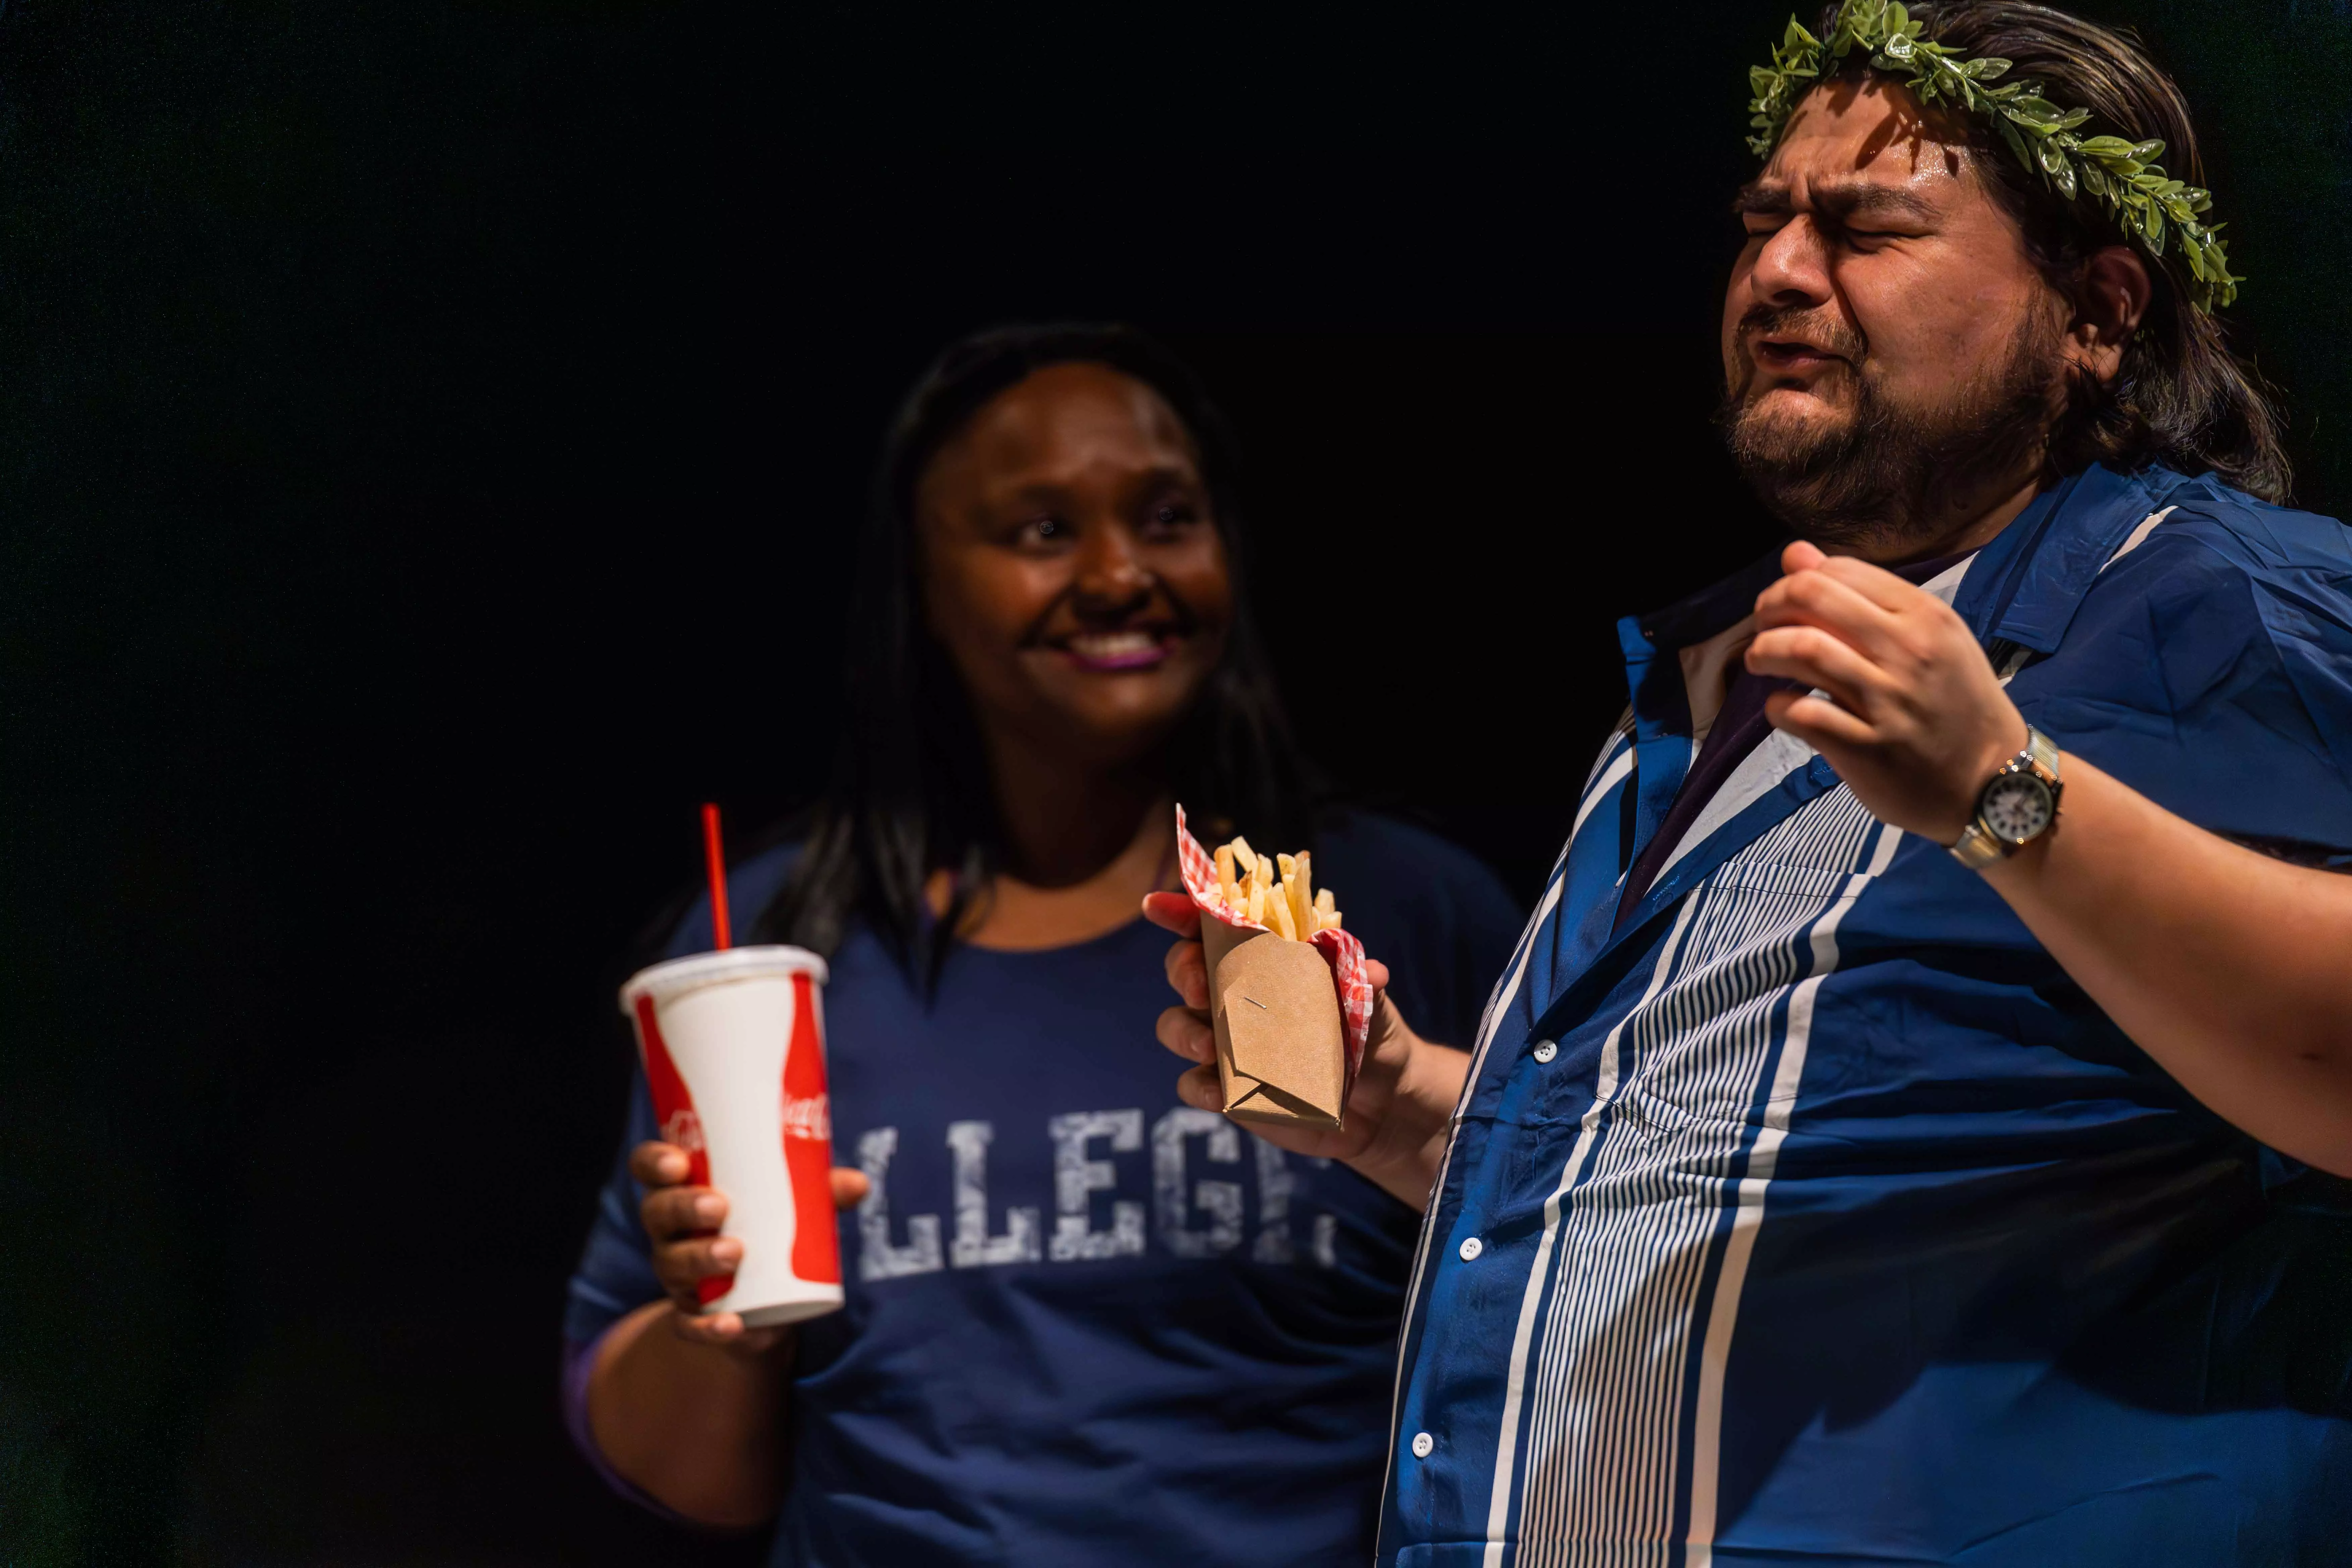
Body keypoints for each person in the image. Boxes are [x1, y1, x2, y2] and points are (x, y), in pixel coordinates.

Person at [1149, 4, 2352, 1561]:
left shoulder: (2222, 606)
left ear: (2098, 314)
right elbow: (1738, 1178)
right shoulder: (1723, 673)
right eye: (1764, 220)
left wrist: (2006, 790)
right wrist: (1404, 1109)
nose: (1780, 272)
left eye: (1865, 227)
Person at [561, 324, 1524, 1564]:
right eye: (1043, 531)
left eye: (1168, 516)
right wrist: (714, 1330)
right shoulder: (775, 944)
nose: (1122, 571)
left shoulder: (1393, 912)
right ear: (923, 585)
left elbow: (1578, 1317)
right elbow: (694, 1477)